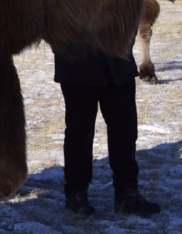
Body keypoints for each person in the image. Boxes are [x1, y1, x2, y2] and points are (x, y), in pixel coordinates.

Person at [55, 45, 162, 218]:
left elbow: (130, 19)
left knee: (125, 131)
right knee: (80, 134)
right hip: (76, 67)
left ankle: (127, 194)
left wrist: (123, 41)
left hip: (118, 65)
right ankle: (76, 193)